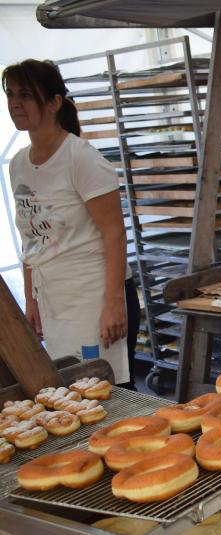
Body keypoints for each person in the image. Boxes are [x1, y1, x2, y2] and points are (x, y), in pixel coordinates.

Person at [4, 59, 135, 388]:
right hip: (54, 299)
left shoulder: (81, 159)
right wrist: (31, 302)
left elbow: (114, 234)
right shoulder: (19, 165)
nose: (14, 103)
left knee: (110, 393)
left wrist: (114, 303)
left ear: (53, 103)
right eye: (10, 95)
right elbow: (31, 239)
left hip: (95, 297)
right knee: (72, 392)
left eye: (25, 95)